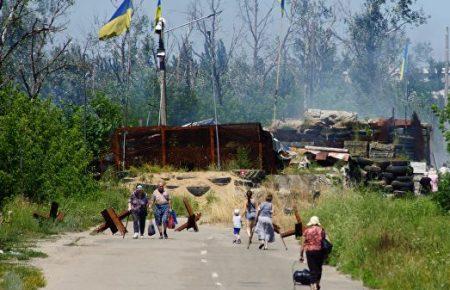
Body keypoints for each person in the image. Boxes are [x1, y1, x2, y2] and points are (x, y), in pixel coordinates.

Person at [300, 216, 327, 290]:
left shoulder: (306, 231)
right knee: (319, 269)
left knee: (312, 269)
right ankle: (317, 283)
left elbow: (302, 245)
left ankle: (313, 285)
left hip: (310, 252)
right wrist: (325, 254)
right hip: (319, 252)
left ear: (311, 223)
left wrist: (301, 255)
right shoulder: (322, 230)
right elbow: (324, 242)